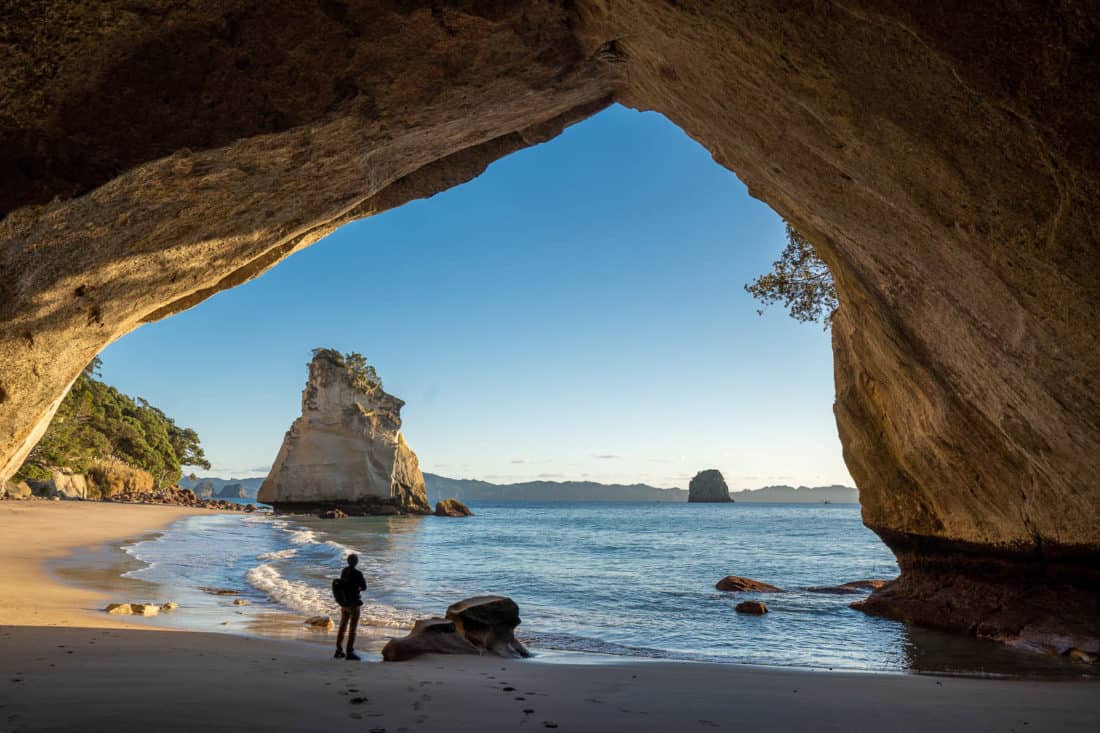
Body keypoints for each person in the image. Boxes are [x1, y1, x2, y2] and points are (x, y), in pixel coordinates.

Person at [335, 553, 366, 661]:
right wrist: (358, 589)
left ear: (348, 561)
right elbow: (364, 587)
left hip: (344, 603)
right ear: (356, 562)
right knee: (352, 629)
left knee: (342, 627)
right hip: (354, 604)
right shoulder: (358, 573)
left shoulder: (344, 571)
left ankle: (338, 650)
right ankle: (350, 652)